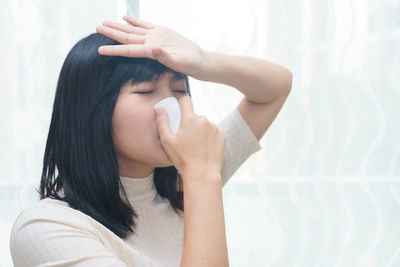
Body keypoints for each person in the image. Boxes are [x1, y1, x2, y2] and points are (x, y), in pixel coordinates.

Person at [9, 15, 292, 266]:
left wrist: (202, 60)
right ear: (93, 110)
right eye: (145, 91)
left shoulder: (183, 182)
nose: (172, 105)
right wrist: (202, 175)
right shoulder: (46, 227)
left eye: (180, 89)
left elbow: (276, 87)